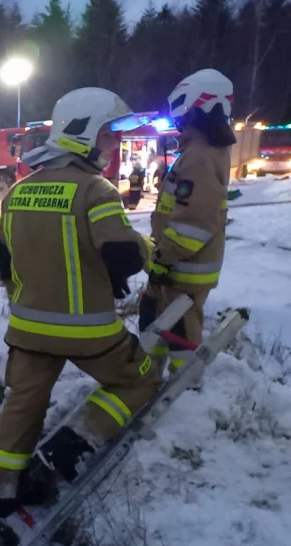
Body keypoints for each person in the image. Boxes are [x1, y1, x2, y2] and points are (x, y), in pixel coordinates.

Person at [0, 87, 163, 517]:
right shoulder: (96, 190)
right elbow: (122, 254)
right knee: (142, 378)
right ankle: (78, 440)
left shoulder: (16, 193)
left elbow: (7, 266)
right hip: (90, 334)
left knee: (23, 404)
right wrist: (148, 247)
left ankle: (3, 492)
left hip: (27, 332)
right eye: (108, 134)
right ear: (84, 134)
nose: (114, 143)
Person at [140, 69, 235, 376]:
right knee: (154, 318)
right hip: (177, 265)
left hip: (183, 268)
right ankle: (149, 375)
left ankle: (184, 388)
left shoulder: (201, 156)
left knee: (180, 331)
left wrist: (164, 258)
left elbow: (194, 219)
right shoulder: (202, 150)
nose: (178, 119)